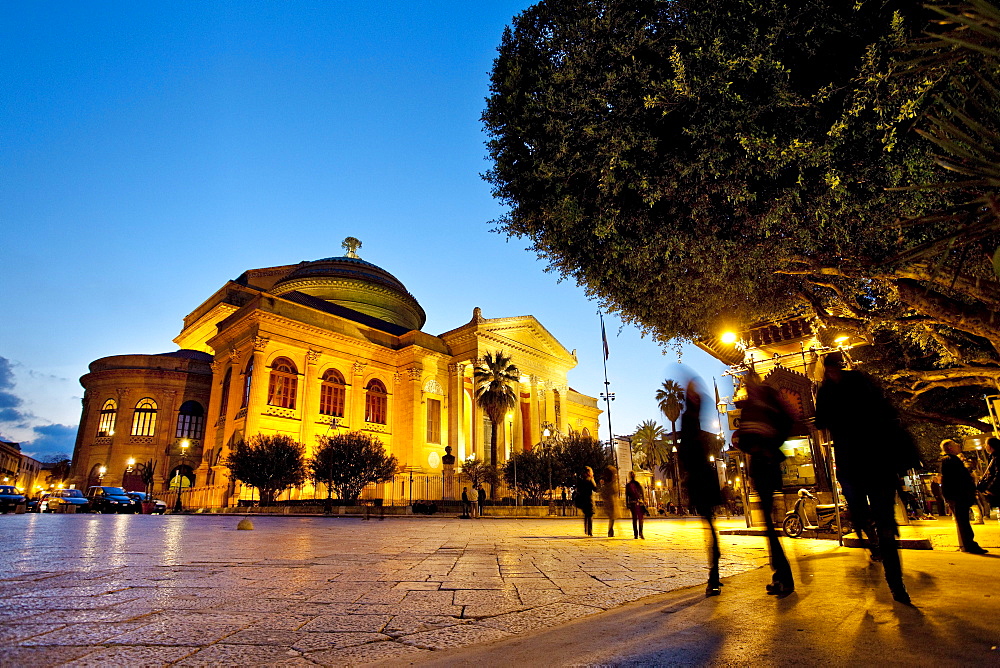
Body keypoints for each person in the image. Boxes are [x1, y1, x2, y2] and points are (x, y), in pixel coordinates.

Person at [814, 351, 920, 605]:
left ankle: (870, 538)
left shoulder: (827, 391)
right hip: (879, 460)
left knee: (863, 511)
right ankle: (897, 584)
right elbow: (888, 411)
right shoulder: (864, 382)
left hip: (854, 462)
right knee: (884, 521)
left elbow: (820, 421)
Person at [734, 371, 795, 596]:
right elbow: (745, 435)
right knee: (768, 524)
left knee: (769, 525)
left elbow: (788, 421)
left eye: (746, 382)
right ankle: (781, 574)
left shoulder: (763, 400)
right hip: (760, 465)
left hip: (766, 463)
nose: (745, 387)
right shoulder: (751, 405)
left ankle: (783, 575)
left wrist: (769, 444)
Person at [678, 378, 724, 597]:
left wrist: (686, 474)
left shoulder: (689, 418)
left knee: (710, 525)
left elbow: (686, 449)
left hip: (701, 477)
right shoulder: (692, 418)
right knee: (709, 524)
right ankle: (714, 570)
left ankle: (714, 574)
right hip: (703, 476)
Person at [940, 439, 988, 554]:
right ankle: (969, 545)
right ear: (950, 448)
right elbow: (957, 479)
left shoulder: (951, 460)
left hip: (956, 495)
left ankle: (967, 544)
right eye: (955, 445)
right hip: (958, 495)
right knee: (963, 521)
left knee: (963, 521)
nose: (958, 446)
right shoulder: (951, 460)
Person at [978, 437, 999, 523]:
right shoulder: (993, 457)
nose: (985, 447)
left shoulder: (997, 457)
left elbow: (998, 474)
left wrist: (990, 488)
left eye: (986, 445)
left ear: (990, 446)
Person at [575, 466, 598, 536]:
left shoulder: (581, 480)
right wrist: (593, 480)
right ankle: (590, 532)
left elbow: (578, 489)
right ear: (589, 472)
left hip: (583, 500)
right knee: (590, 516)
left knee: (586, 515)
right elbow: (595, 489)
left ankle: (586, 530)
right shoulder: (590, 480)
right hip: (589, 500)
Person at [599, 465, 620, 537]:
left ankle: (610, 530)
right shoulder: (611, 485)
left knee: (612, 517)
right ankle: (610, 531)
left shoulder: (607, 484)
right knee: (612, 517)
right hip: (611, 502)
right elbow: (615, 491)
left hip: (609, 502)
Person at [625, 471, 645, 539]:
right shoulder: (633, 484)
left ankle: (639, 533)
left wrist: (627, 503)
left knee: (638, 518)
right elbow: (627, 495)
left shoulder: (635, 484)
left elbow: (641, 493)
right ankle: (637, 533)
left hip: (636, 502)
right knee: (637, 518)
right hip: (634, 503)